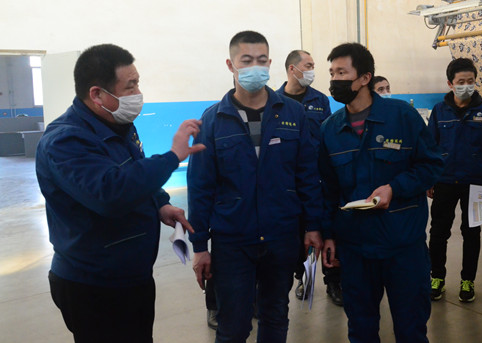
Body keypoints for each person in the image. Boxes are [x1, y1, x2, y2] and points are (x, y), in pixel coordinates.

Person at [36, 44, 205, 343]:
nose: (138, 93)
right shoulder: (65, 141)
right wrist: (172, 157)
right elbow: (110, 193)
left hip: (131, 276)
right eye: (130, 86)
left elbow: (133, 170)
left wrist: (160, 204)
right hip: (93, 285)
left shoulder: (118, 124)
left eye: (138, 83)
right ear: (97, 94)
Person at [188, 31, 323, 343]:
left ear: (270, 63)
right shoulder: (213, 120)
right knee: (233, 325)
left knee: (275, 316)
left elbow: (307, 175)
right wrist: (199, 246)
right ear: (230, 65)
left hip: (281, 236)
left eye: (261, 60)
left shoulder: (293, 114)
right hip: (233, 240)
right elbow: (200, 187)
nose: (255, 67)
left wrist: (313, 226)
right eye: (246, 60)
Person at [319, 43, 444, 343]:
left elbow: (431, 165)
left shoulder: (402, 117)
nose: (334, 80)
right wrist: (329, 236)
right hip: (356, 250)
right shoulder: (330, 130)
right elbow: (328, 190)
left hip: (403, 246)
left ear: (365, 78)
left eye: (342, 73)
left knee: (411, 329)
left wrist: (394, 188)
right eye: (332, 73)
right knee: (361, 330)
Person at [427, 57, 482, 303]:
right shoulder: (439, 111)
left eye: (470, 81)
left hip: (476, 182)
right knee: (438, 232)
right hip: (444, 181)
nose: (466, 86)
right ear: (450, 83)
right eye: (461, 82)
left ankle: (468, 281)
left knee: (472, 233)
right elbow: (430, 147)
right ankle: (437, 277)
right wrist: (429, 178)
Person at [275, 50, 342, 306]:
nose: (313, 70)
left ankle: (333, 280)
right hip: (291, 180)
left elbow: (327, 137)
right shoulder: (276, 101)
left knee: (326, 227)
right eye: (309, 65)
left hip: (320, 177)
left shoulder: (320, 100)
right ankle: (304, 277)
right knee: (300, 232)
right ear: (292, 69)